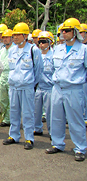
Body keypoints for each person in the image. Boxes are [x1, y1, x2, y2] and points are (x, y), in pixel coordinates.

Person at [45, 18, 87, 161]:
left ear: (75, 32)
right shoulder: (58, 48)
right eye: (63, 30)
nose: (64, 32)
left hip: (74, 89)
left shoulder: (83, 49)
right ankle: (57, 144)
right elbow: (52, 68)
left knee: (75, 120)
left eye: (67, 30)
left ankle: (80, 148)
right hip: (57, 88)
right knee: (56, 118)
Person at [2, 22, 43, 150]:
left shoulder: (33, 50)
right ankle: (13, 135)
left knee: (28, 112)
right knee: (14, 111)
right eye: (14, 34)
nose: (15, 37)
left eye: (18, 34)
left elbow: (38, 69)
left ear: (25, 35)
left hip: (27, 86)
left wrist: (31, 82)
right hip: (14, 86)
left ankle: (29, 138)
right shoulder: (12, 50)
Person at [34, 31, 54, 136]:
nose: (41, 44)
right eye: (39, 42)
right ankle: (37, 128)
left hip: (49, 87)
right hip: (38, 87)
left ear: (50, 42)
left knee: (50, 112)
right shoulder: (36, 55)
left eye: (44, 42)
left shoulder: (54, 56)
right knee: (36, 110)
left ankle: (52, 132)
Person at [0, 29, 14, 127]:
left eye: (7, 37)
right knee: (3, 99)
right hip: (2, 76)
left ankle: (10, 118)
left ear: (12, 38)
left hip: (12, 76)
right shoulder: (1, 51)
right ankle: (5, 117)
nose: (5, 39)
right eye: (4, 37)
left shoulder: (15, 50)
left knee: (12, 100)